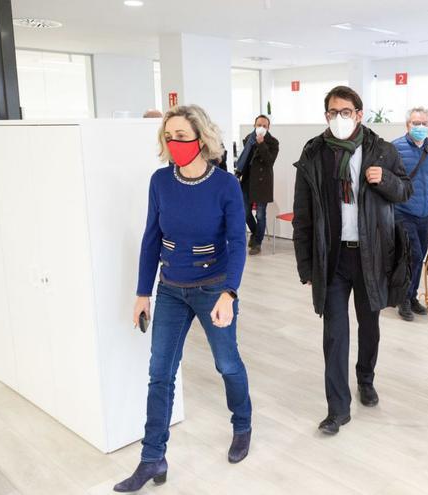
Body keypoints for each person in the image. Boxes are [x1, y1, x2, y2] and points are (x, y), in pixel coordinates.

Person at [115, 105, 252, 492]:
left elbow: (237, 242)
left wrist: (230, 292)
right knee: (160, 372)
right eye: (169, 136)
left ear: (201, 139)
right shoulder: (160, 181)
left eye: (182, 136)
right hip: (171, 287)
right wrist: (143, 292)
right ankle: (152, 457)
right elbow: (151, 239)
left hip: (214, 286)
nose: (175, 143)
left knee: (227, 363)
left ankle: (241, 425)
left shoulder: (225, 184)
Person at [292, 86, 412, 435]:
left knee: (369, 325)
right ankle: (337, 409)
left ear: (359, 114)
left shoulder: (382, 150)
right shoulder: (314, 153)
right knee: (334, 333)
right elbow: (303, 214)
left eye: (345, 112)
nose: (338, 118)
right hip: (331, 258)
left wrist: (385, 179)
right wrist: (306, 265)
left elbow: (406, 190)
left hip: (371, 255)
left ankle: (365, 378)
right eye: (332, 112)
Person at [391, 106, 428, 321]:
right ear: (407, 125)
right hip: (402, 212)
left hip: (424, 213)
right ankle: (403, 298)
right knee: (412, 254)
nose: (419, 127)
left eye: (424, 123)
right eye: (415, 123)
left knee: (419, 257)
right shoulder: (395, 148)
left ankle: (411, 296)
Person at [236, 115, 279, 255]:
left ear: (268, 127)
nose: (261, 127)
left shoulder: (273, 143)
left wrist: (261, 144)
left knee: (260, 215)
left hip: (262, 183)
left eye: (264, 126)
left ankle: (257, 243)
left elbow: (269, 161)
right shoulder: (248, 139)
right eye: (259, 124)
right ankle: (256, 234)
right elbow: (244, 159)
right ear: (254, 125)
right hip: (247, 181)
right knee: (246, 213)